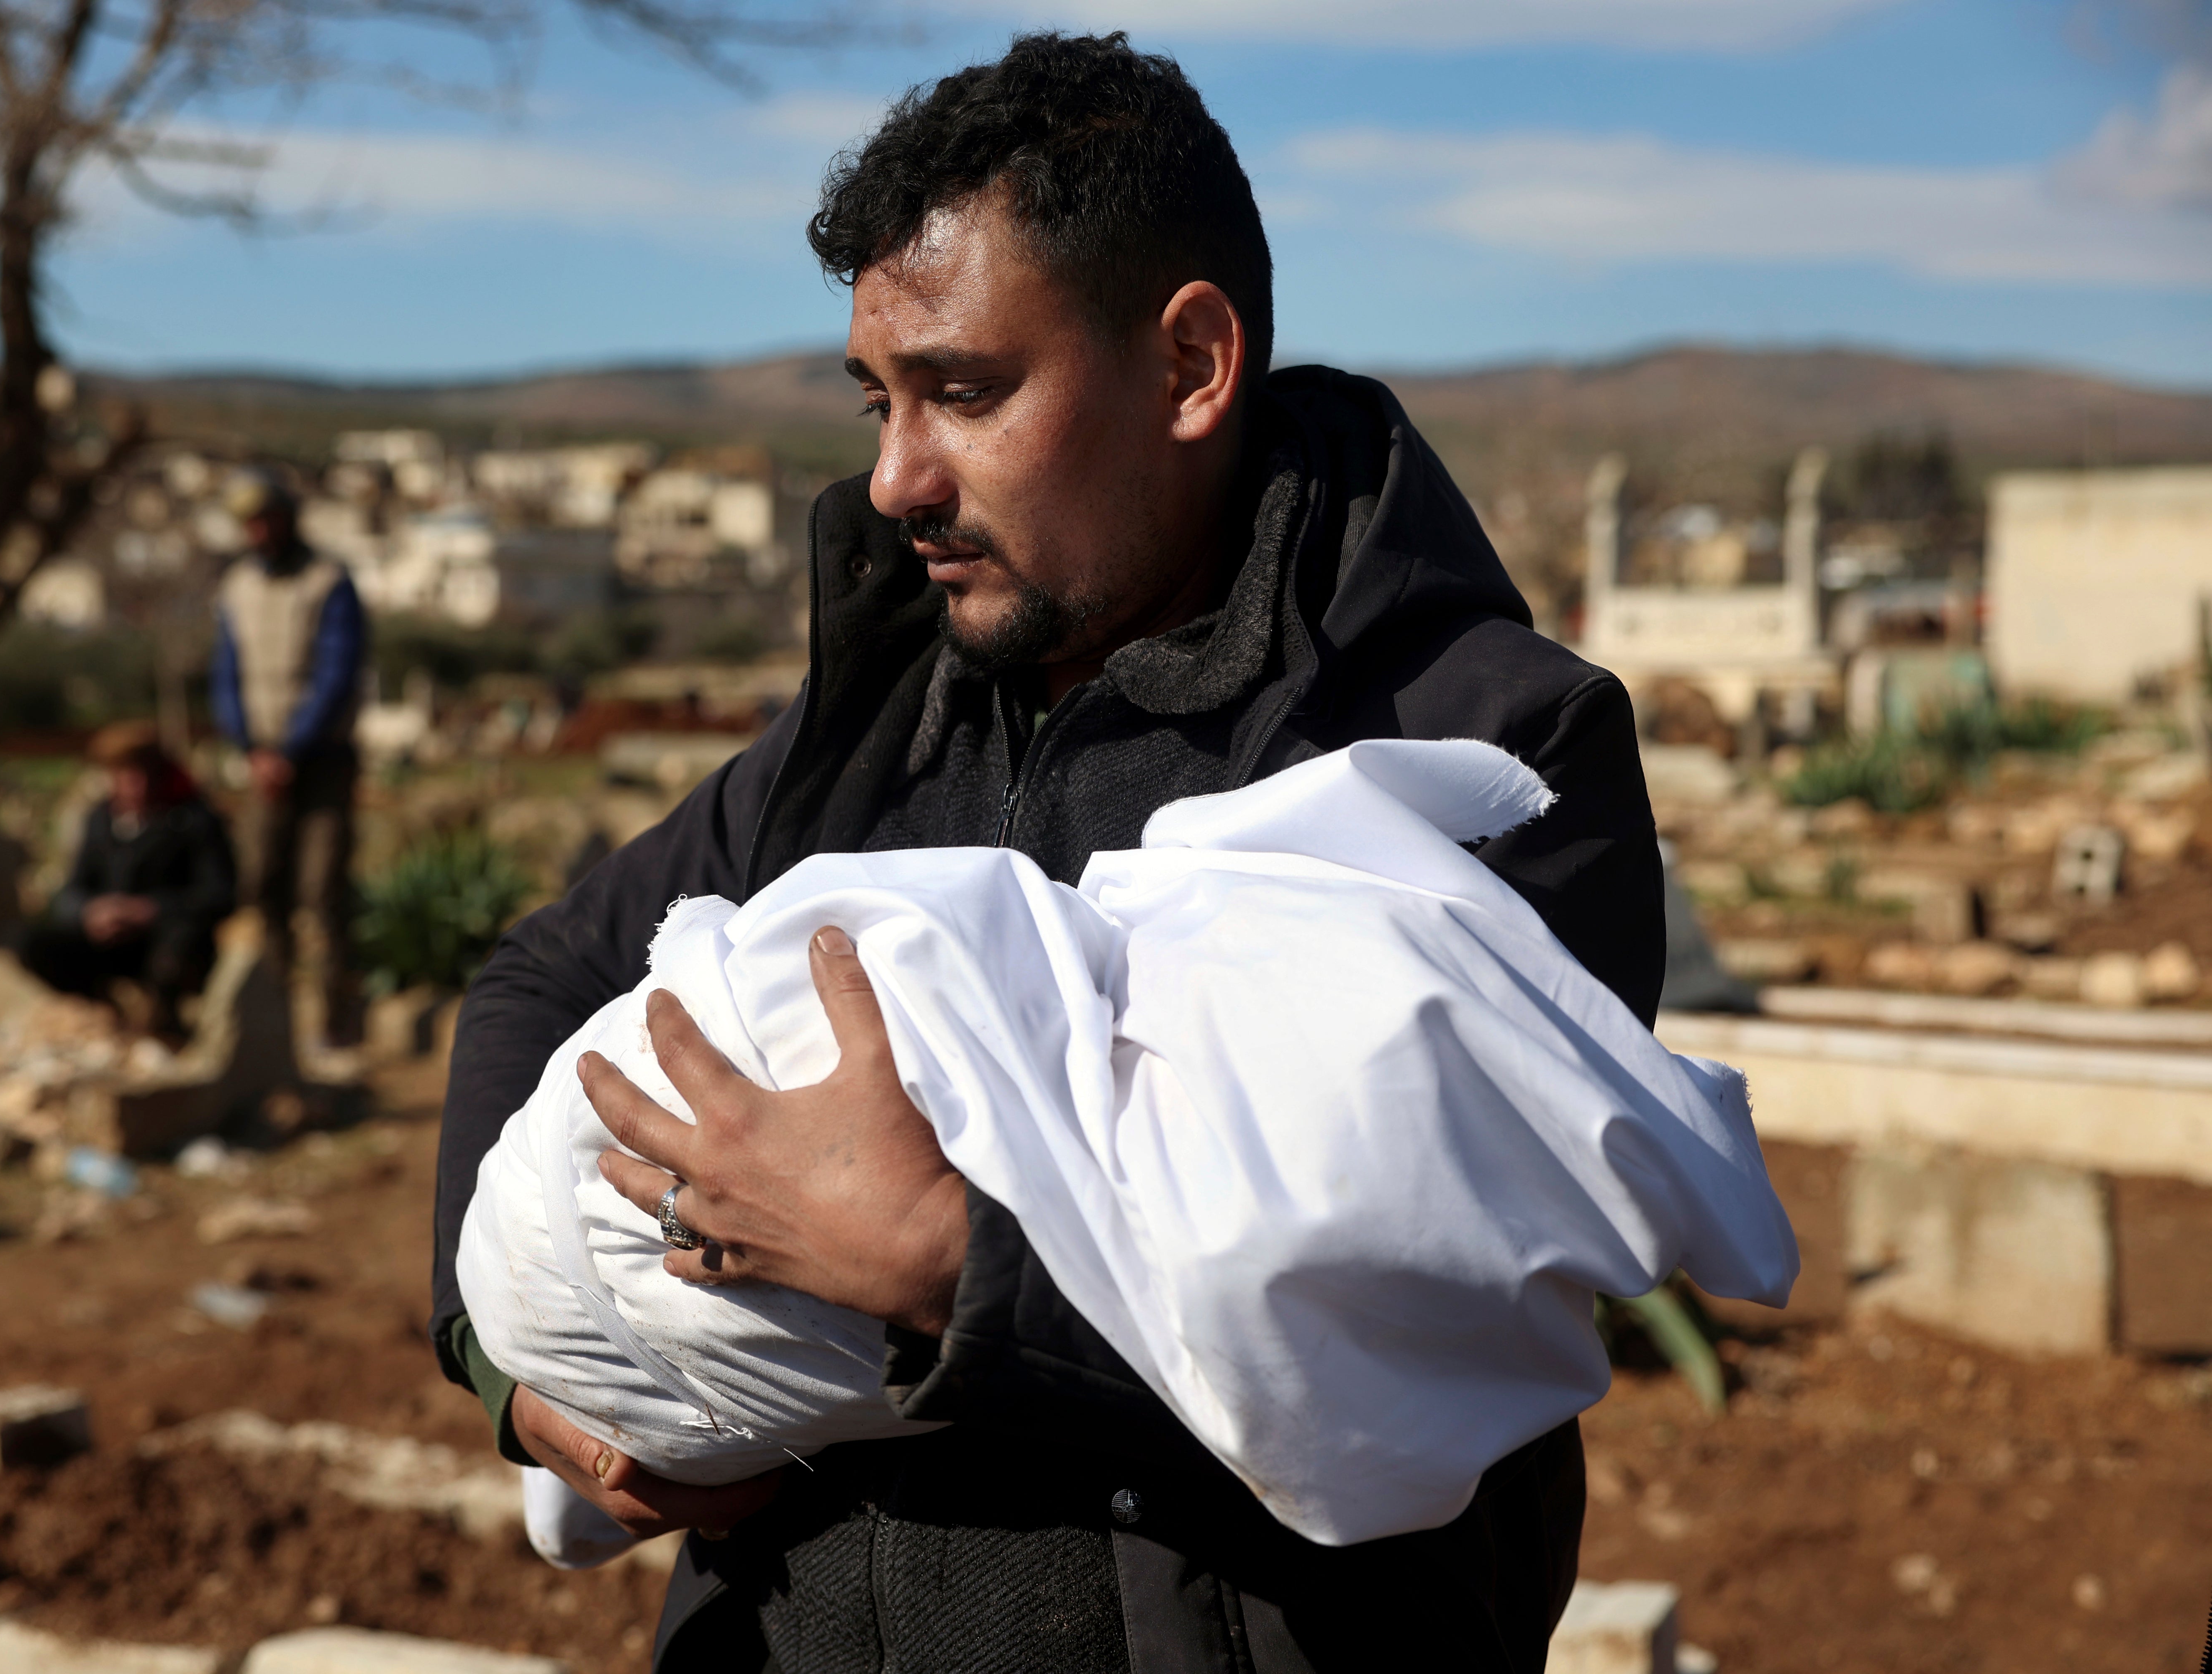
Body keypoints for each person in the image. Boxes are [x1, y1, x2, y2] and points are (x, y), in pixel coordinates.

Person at [432, 32, 1667, 1671]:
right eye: (878, 401)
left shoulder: (1476, 762)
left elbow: (1434, 1305)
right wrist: (514, 1371)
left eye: (965, 390)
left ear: (1191, 365)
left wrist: (952, 1270)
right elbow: (545, 974)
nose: (895, 480)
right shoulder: (879, 723)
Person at [211, 475, 369, 1044]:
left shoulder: (328, 581)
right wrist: (251, 749)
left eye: (265, 519)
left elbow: (336, 672)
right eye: (248, 523)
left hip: (322, 758)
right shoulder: (237, 586)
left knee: (321, 887)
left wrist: (292, 750)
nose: (258, 532)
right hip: (261, 763)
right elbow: (227, 674)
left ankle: (333, 1020)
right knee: (261, 881)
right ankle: (271, 1018)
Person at [17, 721, 237, 1037]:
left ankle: (165, 1019)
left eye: (145, 774)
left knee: (180, 945)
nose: (138, 785)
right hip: (109, 942)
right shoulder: (101, 820)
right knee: (29, 941)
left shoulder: (193, 820)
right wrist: (92, 912)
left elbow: (220, 894)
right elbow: (73, 889)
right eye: (127, 775)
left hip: (165, 940)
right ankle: (107, 1008)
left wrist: (148, 910)